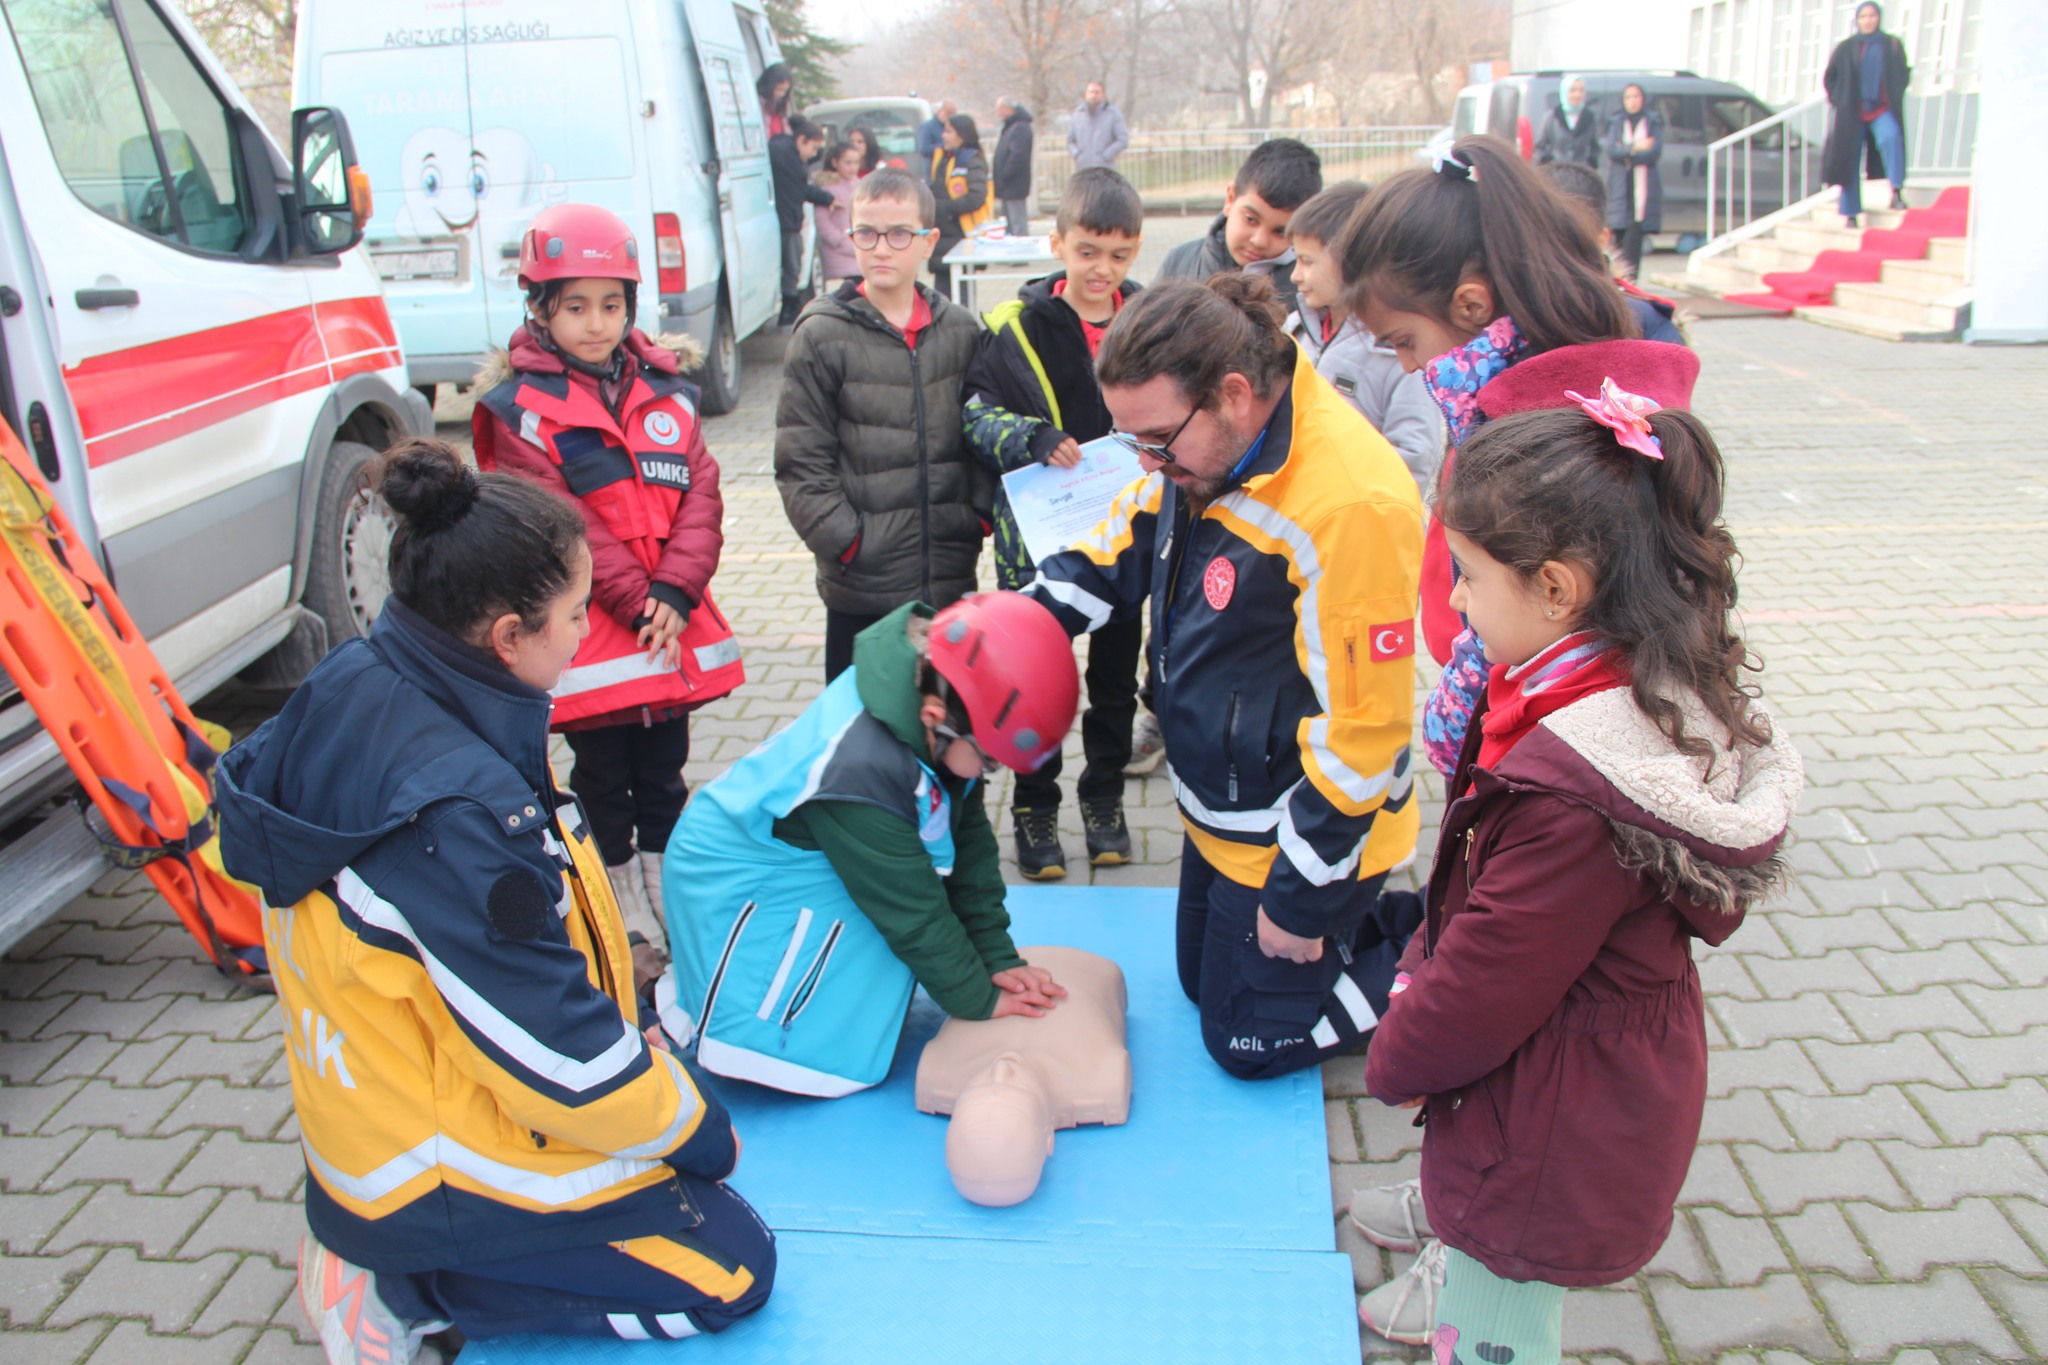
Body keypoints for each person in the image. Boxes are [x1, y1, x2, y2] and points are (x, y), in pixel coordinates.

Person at [217, 440, 774, 1359]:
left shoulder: (380, 676)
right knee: (730, 1267)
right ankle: (408, 1285)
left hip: (379, 1110)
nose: (586, 631)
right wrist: (699, 1129)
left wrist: (642, 1040)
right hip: (419, 1170)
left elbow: (520, 959)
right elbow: (553, 1052)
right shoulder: (458, 809)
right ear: (508, 635)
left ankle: (383, 1236)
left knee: (663, 1122)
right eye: (572, 616)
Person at [1355, 393, 1803, 1352]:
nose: (1459, 601)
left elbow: (1486, 985)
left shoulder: (1577, 791)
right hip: (1563, 1085)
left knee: (1495, 1326)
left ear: (1556, 588)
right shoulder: (1593, 687)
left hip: (1545, 1125)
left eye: (1467, 576)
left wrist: (1395, 1058)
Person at [1025, 276, 1425, 1082]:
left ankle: (1435, 966)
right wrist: (1019, 628)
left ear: (1235, 395)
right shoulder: (1196, 451)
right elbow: (1119, 538)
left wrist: (1299, 898)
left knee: (1246, 1046)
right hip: (1227, 802)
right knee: (1193, 983)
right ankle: (1334, 931)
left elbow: (1367, 734)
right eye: (1131, 440)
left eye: (1156, 442)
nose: (1144, 462)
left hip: (1302, 824)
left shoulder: (1350, 504)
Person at [1333, 137, 1696, 777]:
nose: (1412, 366)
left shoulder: (1542, 442)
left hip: (1547, 756)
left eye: (1405, 341)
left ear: (1471, 304)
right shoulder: (1523, 395)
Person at [662, 595, 1080, 1097]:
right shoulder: (862, 768)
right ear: (934, 716)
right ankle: (706, 1022)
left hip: (803, 851)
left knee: (889, 947)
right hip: (737, 880)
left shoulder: (943, 714)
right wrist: (976, 998)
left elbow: (968, 845)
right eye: (991, 763)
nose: (993, 774)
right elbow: (911, 909)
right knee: (802, 1042)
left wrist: (998, 959)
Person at [471, 204, 735, 959]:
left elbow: (702, 492)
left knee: (666, 771)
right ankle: (618, 901)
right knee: (602, 777)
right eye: (576, 306)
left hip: (668, 621)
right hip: (592, 628)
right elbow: (561, 520)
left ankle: (668, 885)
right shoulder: (518, 409)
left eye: (612, 305)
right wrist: (640, 597)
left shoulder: (669, 388)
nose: (597, 323)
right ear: (540, 307)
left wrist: (678, 590)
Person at [962, 168, 1146, 879]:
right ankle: (1033, 807)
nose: (1103, 269)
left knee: (1113, 685)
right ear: (1058, 242)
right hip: (1035, 546)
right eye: (1089, 250)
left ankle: (1103, 799)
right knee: (1034, 679)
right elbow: (974, 414)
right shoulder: (1015, 327)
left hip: (1123, 542)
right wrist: (1033, 437)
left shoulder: (1145, 319)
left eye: (1120, 254)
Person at [774, 168, 990, 682]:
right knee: (863, 738)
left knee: (945, 732)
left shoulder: (961, 330)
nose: (881, 249)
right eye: (866, 233)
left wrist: (976, 518)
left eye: (899, 234)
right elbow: (801, 462)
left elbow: (983, 438)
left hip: (948, 577)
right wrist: (850, 542)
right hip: (862, 585)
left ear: (928, 242)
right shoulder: (822, 334)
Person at [1281, 181, 1442, 496]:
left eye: (1307, 261)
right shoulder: (1294, 330)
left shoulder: (1399, 351)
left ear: (1351, 261)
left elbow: (1413, 459)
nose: (1295, 275)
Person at [1153, 136, 1321, 315]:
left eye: (1280, 232)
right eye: (1251, 219)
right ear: (1230, 198)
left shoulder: (1307, 290)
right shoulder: (1179, 262)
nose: (1259, 241)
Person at [1541, 159, 1686, 345]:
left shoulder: (1644, 322)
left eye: (1571, 235)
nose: (1559, 249)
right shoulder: (1511, 318)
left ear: (1602, 239)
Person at [1823, 1, 1912, 226]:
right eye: (1863, 17)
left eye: (1871, 16)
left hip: (1881, 107)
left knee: (1891, 138)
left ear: (1878, 18)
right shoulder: (1846, 48)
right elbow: (1830, 77)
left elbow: (1903, 73)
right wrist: (1839, 100)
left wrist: (1894, 94)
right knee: (1849, 159)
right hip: (1852, 112)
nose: (1868, 20)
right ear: (1857, 20)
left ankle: (1896, 191)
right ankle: (1850, 213)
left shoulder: (1891, 44)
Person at [770, 115, 835, 328]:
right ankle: (789, 311)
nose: (814, 155)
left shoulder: (782, 151)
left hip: (784, 220)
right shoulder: (789, 158)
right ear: (802, 140)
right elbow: (800, 189)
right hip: (788, 222)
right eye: (814, 148)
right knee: (792, 267)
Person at [1604, 84, 1663, 280]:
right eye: (1628, 97)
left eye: (1636, 96)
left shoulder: (1652, 121)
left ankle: (1632, 280)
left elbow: (1654, 153)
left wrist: (1627, 153)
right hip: (1621, 185)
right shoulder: (1617, 122)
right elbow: (1612, 151)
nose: (1633, 101)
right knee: (1618, 236)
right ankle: (1618, 278)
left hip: (1642, 187)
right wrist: (1636, 146)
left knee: (1635, 236)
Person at [929, 113, 992, 298]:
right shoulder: (944, 158)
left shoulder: (972, 160)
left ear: (961, 135)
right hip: (943, 234)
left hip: (961, 234)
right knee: (942, 293)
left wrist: (945, 208)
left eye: (948, 131)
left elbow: (977, 197)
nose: (943, 135)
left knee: (961, 294)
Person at [815, 140, 863, 291]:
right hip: (838, 253)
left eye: (856, 162)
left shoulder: (859, 185)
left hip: (859, 250)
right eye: (847, 163)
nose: (852, 167)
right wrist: (840, 240)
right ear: (835, 162)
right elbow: (822, 221)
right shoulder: (828, 188)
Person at [992, 97, 1036, 237]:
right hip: (1008, 184)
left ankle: (1021, 255)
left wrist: (1005, 174)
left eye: (999, 109)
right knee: (1009, 225)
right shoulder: (1011, 127)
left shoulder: (1020, 128)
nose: (998, 114)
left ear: (1008, 109)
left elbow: (1018, 156)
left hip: (1014, 184)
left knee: (1017, 224)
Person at [1535, 74, 1600, 168]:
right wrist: (1549, 163)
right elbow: (1540, 146)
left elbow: (1595, 148)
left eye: (1581, 90)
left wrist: (1590, 164)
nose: (1577, 95)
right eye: (1572, 90)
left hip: (1581, 172)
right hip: (1557, 171)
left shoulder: (1590, 118)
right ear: (1565, 92)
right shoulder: (1552, 117)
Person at [1067, 81, 1129, 170]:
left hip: (1105, 170)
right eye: (1091, 92)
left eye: (1097, 92)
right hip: (1082, 169)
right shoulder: (1078, 114)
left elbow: (1122, 140)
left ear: (1103, 95)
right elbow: (1070, 141)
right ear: (1086, 94)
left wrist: (1106, 156)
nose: (1093, 95)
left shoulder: (1113, 114)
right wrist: (1077, 155)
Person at [756, 61, 793, 138]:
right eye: (778, 89)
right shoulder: (757, 104)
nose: (781, 94)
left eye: (785, 91)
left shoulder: (781, 106)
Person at [916, 98, 958, 164]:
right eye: (948, 114)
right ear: (940, 111)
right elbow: (924, 149)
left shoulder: (955, 126)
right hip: (934, 168)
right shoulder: (928, 127)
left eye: (953, 114)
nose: (950, 117)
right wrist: (946, 146)